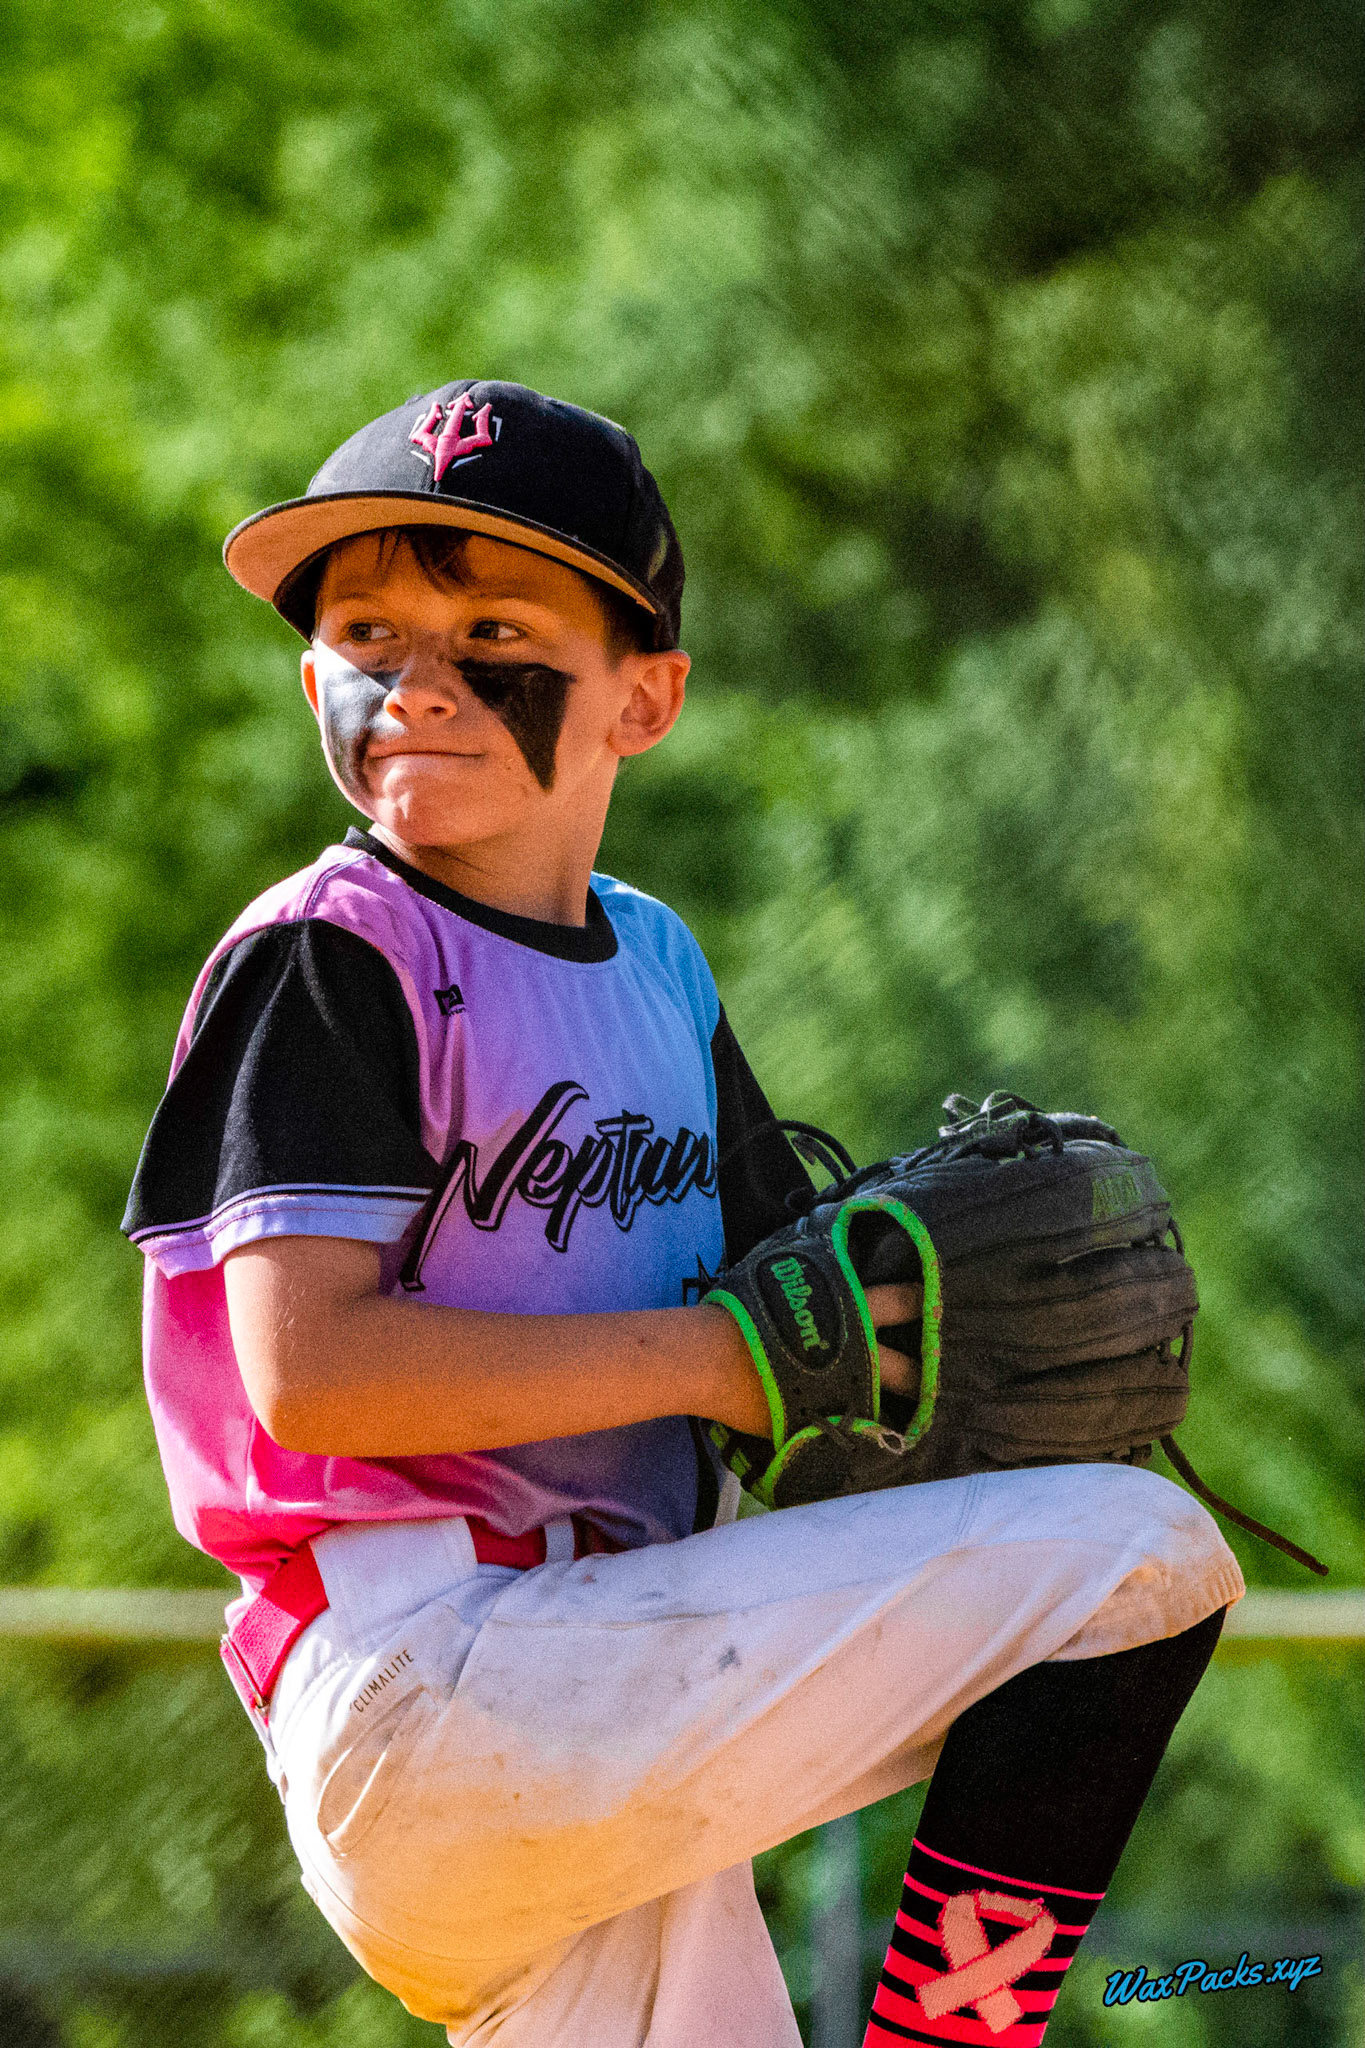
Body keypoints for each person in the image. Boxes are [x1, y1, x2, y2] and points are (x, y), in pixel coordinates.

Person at [122, 380, 1243, 2047]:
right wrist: (728, 1359)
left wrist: (883, 1382)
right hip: (430, 1672)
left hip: (611, 1682)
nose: (414, 681)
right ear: (310, 682)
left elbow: (785, 1313)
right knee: (1134, 1563)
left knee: (1094, 1559)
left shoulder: (654, 960)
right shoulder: (334, 952)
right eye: (366, 634)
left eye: (494, 631)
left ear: (643, 698)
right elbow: (314, 1375)